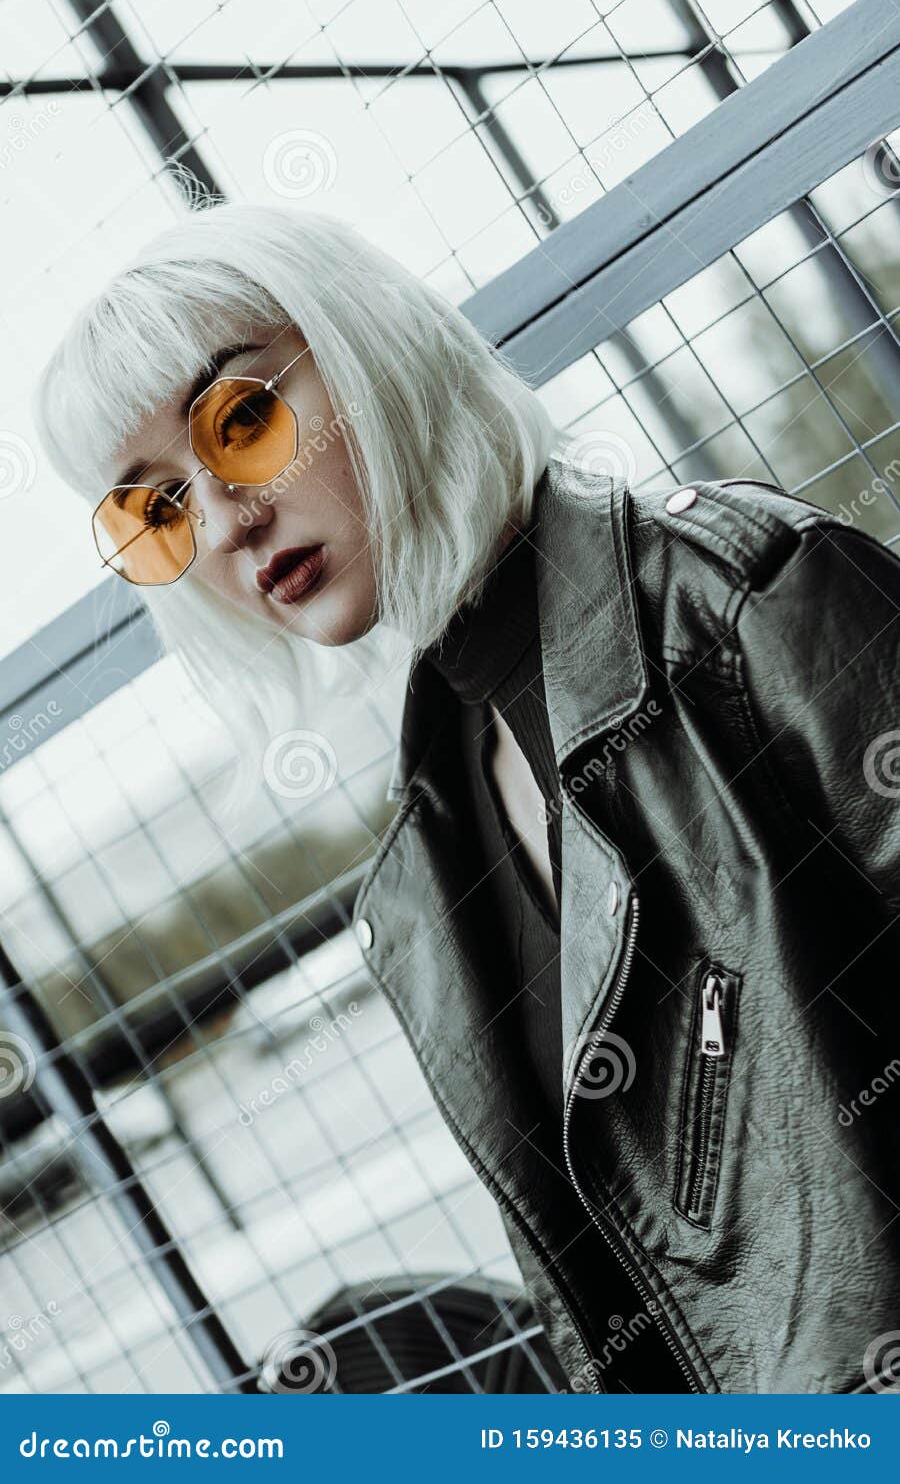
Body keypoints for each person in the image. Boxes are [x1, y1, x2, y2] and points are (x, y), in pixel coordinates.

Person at [36, 199, 900, 1395]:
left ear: (369, 346)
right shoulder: (430, 852)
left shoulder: (738, 604)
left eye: (241, 420)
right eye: (160, 504)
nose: (228, 522)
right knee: (343, 1367)